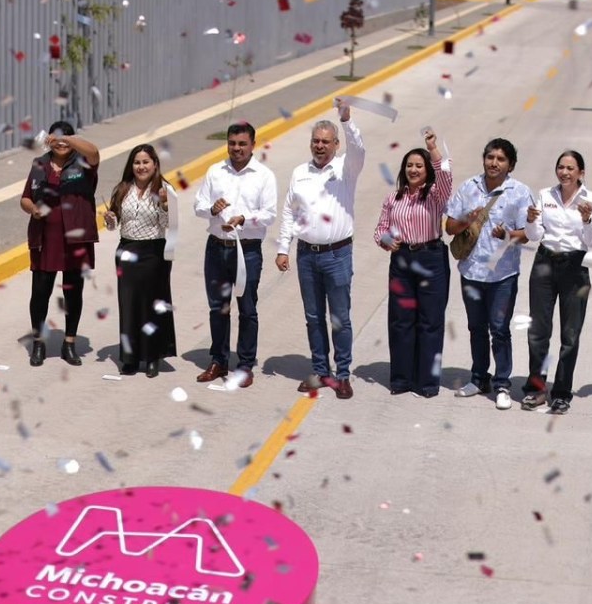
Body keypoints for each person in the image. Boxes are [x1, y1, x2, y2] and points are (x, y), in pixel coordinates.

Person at [276, 102, 365, 400]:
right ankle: (320, 370)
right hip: (306, 255)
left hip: (337, 255)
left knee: (340, 318)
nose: (320, 146)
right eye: (316, 141)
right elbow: (289, 211)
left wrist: (347, 120)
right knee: (313, 317)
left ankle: (343, 374)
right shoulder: (299, 172)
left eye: (326, 141)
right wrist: (283, 248)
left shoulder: (346, 168)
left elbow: (358, 150)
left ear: (336, 145)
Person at [445, 138, 531, 411]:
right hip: (471, 272)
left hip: (503, 275)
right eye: (490, 157)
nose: (494, 163)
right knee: (476, 328)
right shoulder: (468, 187)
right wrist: (466, 220)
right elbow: (450, 227)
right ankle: (479, 378)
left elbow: (528, 234)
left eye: (501, 159)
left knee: (500, 330)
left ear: (510, 165)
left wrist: (507, 234)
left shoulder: (519, 193)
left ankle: (502, 384)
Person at [193, 122, 277, 388]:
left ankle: (244, 365)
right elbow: (198, 205)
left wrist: (245, 219)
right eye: (232, 143)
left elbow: (270, 215)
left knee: (247, 310)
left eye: (242, 144)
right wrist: (212, 209)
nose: (236, 148)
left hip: (247, 250)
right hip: (217, 248)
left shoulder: (264, 175)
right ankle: (218, 360)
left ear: (253, 145)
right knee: (218, 308)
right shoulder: (215, 171)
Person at [521, 150, 592, 415]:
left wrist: (587, 219)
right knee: (538, 330)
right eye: (561, 167)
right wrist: (530, 220)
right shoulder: (545, 195)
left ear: (581, 173)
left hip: (575, 266)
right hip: (545, 262)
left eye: (570, 168)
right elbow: (535, 234)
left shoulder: (591, 200)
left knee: (570, 334)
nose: (565, 173)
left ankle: (561, 392)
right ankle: (537, 388)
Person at [373, 130, 452, 397]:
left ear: (427, 170)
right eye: (409, 165)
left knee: (430, 321)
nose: (413, 170)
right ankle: (401, 379)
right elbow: (380, 229)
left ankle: (427, 382)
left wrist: (433, 149)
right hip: (402, 260)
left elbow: (445, 177)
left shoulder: (435, 195)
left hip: (430, 257)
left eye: (419, 165)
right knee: (401, 320)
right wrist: (387, 240)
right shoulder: (393, 198)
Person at [19, 122, 100, 368]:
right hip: (45, 238)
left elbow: (94, 152)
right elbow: (25, 198)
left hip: (75, 239)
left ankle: (69, 343)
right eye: (56, 139)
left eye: (66, 139)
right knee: (40, 292)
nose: (62, 143)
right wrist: (32, 209)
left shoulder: (84, 163)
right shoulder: (40, 164)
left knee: (73, 292)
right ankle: (38, 343)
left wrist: (67, 139)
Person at [105, 144, 177, 378]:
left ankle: (153, 356)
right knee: (129, 304)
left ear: (155, 164)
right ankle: (130, 357)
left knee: (152, 305)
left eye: (146, 162)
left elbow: (169, 224)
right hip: (127, 250)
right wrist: (110, 218)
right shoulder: (122, 189)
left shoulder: (164, 189)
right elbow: (114, 224)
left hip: (153, 252)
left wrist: (165, 204)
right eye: (137, 162)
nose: (141, 167)